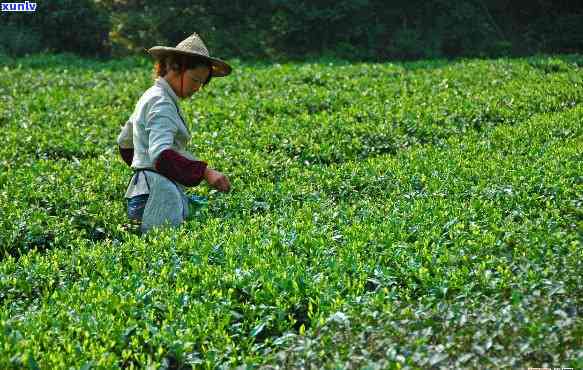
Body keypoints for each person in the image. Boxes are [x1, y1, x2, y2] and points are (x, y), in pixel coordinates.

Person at [116, 32, 231, 234]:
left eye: (201, 83)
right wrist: (206, 172)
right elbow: (162, 155)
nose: (197, 88)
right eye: (195, 80)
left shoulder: (151, 95)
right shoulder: (162, 103)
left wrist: (144, 167)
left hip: (142, 191)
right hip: (158, 195)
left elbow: (125, 144)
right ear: (176, 68)